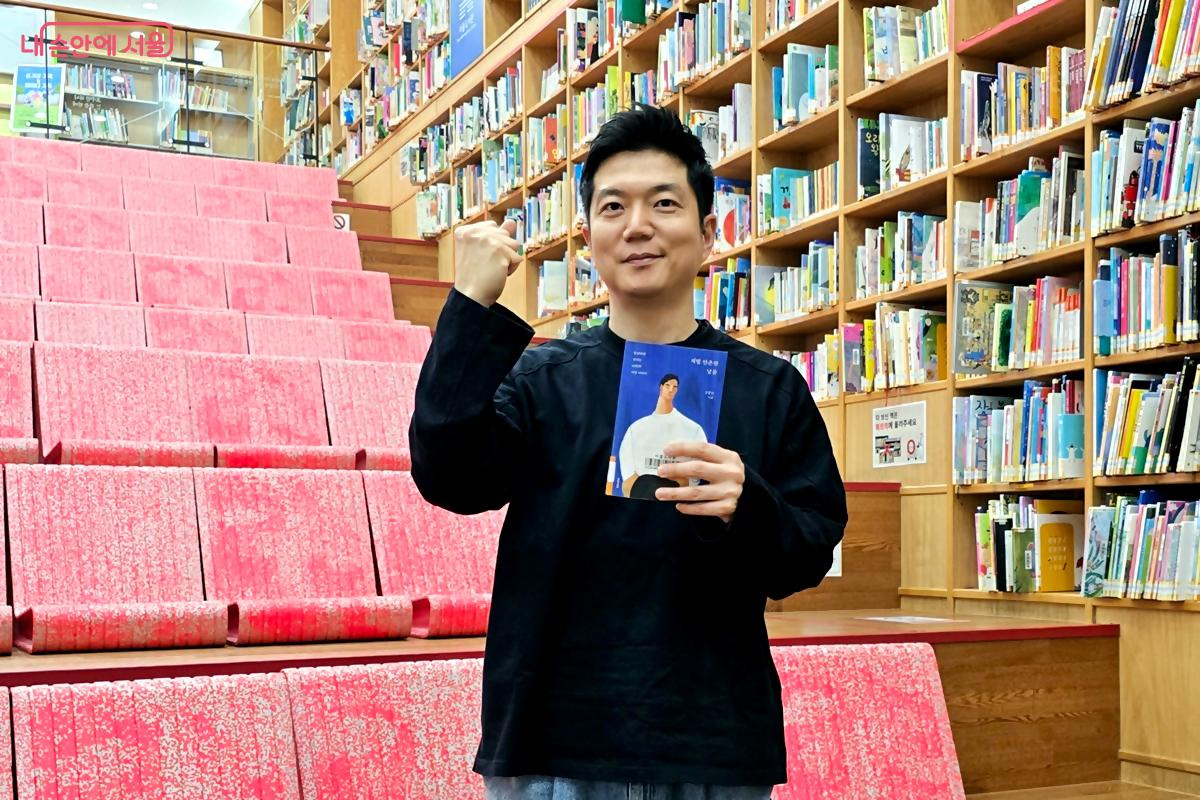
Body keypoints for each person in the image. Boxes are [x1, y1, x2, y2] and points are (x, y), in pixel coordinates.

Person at [409, 103, 847, 800]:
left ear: (708, 233)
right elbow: (450, 477)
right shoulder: (543, 379)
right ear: (588, 241)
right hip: (554, 740)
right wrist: (468, 304)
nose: (637, 225)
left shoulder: (769, 387)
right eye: (613, 206)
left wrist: (748, 503)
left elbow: (809, 553)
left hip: (712, 742)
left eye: (664, 203)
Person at [618, 373, 708, 500]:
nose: (671, 389)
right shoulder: (635, 429)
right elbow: (627, 484)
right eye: (667, 385)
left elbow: (692, 483)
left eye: (674, 387)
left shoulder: (694, 430)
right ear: (661, 387)